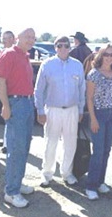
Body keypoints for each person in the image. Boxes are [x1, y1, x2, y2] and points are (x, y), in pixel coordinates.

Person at [34, 36, 86, 187]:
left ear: (70, 47)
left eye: (66, 46)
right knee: (50, 142)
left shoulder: (77, 65)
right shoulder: (47, 65)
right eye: (59, 45)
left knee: (70, 143)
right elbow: (38, 90)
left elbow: (81, 88)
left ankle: (67, 173)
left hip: (72, 110)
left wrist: (81, 109)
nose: (63, 48)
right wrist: (39, 110)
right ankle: (47, 173)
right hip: (53, 110)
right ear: (55, 47)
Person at [0, 28, 37, 208]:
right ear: (18, 37)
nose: (31, 40)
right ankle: (11, 192)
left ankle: (16, 184)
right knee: (16, 148)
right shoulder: (9, 54)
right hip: (16, 104)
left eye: (33, 38)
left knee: (24, 146)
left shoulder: (25, 56)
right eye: (27, 36)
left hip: (27, 103)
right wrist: (5, 105)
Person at [85, 45, 112, 200]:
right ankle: (90, 186)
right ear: (101, 56)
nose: (109, 57)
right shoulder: (93, 74)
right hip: (98, 115)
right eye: (106, 54)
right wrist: (93, 119)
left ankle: (101, 182)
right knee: (98, 151)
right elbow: (89, 98)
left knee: (107, 150)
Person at [0, 30, 16, 154]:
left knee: (9, 116)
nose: (5, 40)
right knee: (5, 115)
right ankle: (6, 140)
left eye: (8, 38)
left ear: (13, 39)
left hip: (10, 89)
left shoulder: (15, 52)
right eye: (4, 38)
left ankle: (8, 143)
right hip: (1, 87)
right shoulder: (1, 52)